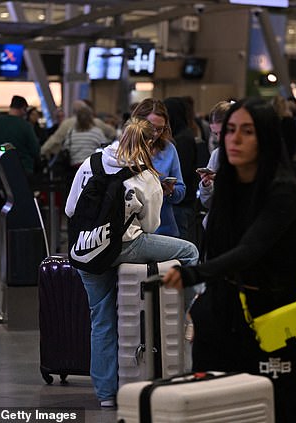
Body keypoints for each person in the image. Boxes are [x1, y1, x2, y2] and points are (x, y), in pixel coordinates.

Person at [162, 98, 296, 423]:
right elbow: (217, 247)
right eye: (230, 131)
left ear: (266, 138)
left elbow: (250, 249)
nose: (235, 139)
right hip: (223, 312)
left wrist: (192, 274)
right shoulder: (226, 187)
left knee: (279, 406)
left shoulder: (283, 191)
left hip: (271, 315)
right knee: (216, 403)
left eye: (247, 131)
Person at [65, 117, 199, 408]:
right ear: (149, 143)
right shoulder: (146, 175)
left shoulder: (92, 162)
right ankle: (189, 314)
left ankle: (105, 395)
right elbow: (151, 225)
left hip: (88, 250)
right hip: (127, 246)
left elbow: (70, 208)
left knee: (100, 320)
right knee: (190, 253)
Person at [131, 98, 185, 237]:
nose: (154, 134)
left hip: (164, 228)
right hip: (132, 230)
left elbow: (181, 190)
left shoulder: (169, 149)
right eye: (151, 128)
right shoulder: (126, 149)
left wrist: (171, 191)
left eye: (160, 129)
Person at [0, 95, 40, 175]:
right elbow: (35, 150)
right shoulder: (26, 126)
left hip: (1, 172)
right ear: (23, 109)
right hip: (24, 172)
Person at [164, 97, 198, 242]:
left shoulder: (182, 139)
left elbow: (180, 175)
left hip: (181, 206)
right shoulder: (183, 134)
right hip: (179, 205)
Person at [41, 100, 116, 158]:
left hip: (74, 163)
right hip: (93, 160)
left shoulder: (67, 124)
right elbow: (112, 133)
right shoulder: (97, 123)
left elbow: (55, 140)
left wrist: (42, 151)